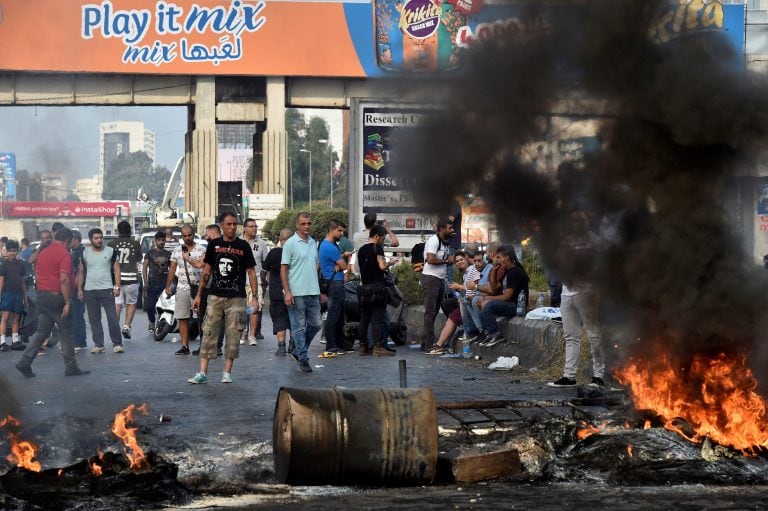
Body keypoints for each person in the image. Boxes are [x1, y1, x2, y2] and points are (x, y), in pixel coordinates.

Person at [188, 212, 258, 384]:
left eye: (235, 224)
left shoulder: (243, 246)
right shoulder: (214, 245)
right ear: (221, 225)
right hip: (215, 296)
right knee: (208, 332)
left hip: (237, 297)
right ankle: (202, 373)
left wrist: (254, 297)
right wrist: (198, 295)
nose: (232, 227)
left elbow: (251, 272)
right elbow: (207, 271)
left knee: (233, 334)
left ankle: (227, 372)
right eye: (229, 224)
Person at [15, 228, 90, 378]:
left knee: (42, 331)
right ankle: (71, 367)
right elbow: (64, 279)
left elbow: (32, 265)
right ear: (68, 240)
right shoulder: (64, 254)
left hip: (42, 296)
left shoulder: (43, 252)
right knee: (66, 332)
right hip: (57, 297)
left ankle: (25, 361)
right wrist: (67, 301)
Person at [548, 210, 606, 388]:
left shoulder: (595, 241)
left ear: (588, 221)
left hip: (587, 292)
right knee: (570, 336)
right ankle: (569, 376)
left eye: (581, 220)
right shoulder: (566, 241)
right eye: (574, 220)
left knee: (593, 335)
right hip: (567, 292)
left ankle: (599, 376)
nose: (578, 223)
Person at [281, 212, 322, 373]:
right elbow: (283, 269)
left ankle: (298, 350)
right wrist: (287, 292)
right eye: (303, 224)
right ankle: (303, 358)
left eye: (309, 223)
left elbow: (316, 264)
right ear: (297, 225)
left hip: (313, 291)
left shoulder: (313, 242)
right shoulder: (290, 243)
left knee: (316, 324)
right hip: (296, 292)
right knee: (298, 326)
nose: (306, 226)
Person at [79, 228, 124, 354]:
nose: (99, 240)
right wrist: (79, 289)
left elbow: (117, 270)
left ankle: (117, 344)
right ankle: (99, 345)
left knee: (112, 318)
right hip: (89, 290)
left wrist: (117, 287)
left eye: (100, 237)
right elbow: (81, 272)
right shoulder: (85, 253)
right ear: (91, 240)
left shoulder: (111, 251)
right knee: (94, 319)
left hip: (107, 289)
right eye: (96, 238)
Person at [426, 251, 480, 355]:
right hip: (465, 301)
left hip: (471, 302)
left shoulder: (473, 270)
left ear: (467, 260)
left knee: (452, 317)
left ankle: (439, 345)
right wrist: (460, 290)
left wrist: (460, 287)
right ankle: (459, 328)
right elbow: (468, 289)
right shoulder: (465, 273)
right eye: (457, 261)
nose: (459, 262)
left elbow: (476, 288)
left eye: (461, 260)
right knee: (446, 303)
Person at [357, 224, 399, 356]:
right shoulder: (377, 248)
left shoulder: (361, 250)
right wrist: (390, 263)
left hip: (364, 288)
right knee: (378, 319)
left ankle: (363, 346)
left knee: (364, 318)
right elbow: (381, 266)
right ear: (376, 236)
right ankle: (378, 347)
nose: (383, 241)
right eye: (382, 238)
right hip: (377, 288)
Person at [476, 245, 529, 347]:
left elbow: (506, 297)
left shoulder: (515, 272)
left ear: (507, 257)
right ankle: (488, 333)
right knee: (479, 302)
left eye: (499, 257)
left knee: (488, 304)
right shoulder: (507, 271)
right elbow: (494, 287)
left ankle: (496, 334)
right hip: (509, 304)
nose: (497, 260)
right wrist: (494, 272)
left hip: (517, 307)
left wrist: (487, 298)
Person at [166, 224, 206, 355]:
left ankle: (203, 346)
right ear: (182, 236)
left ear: (193, 234)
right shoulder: (177, 251)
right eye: (185, 236)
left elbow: (205, 268)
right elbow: (172, 268)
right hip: (182, 288)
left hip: (198, 288)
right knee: (182, 317)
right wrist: (168, 285)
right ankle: (184, 346)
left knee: (201, 318)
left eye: (190, 235)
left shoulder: (202, 249)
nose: (187, 238)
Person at [420, 219, 455, 351]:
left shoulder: (445, 242)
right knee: (430, 312)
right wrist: (447, 261)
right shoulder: (434, 240)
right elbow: (430, 259)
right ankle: (429, 344)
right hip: (431, 279)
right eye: (450, 228)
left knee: (434, 312)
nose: (452, 230)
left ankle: (425, 342)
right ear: (441, 229)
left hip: (439, 279)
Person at [319, 219, 350, 355]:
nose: (342, 233)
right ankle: (332, 345)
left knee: (337, 315)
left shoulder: (326, 245)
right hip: (335, 284)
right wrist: (340, 263)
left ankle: (339, 345)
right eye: (339, 230)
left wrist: (339, 261)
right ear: (331, 230)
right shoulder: (330, 247)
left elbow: (338, 263)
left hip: (333, 283)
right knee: (334, 315)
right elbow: (343, 266)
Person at [110, 220, 143, 340]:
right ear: (130, 230)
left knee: (117, 304)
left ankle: (115, 328)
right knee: (131, 303)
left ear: (118, 231)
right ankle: (127, 326)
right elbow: (139, 258)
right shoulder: (135, 244)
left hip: (116, 280)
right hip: (132, 279)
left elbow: (110, 262)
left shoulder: (112, 244)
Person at [263, 228, 293, 356]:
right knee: (294, 319)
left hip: (276, 291)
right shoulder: (295, 252)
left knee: (279, 318)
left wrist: (263, 282)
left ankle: (281, 347)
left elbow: (263, 271)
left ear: (280, 240)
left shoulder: (273, 253)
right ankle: (293, 344)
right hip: (293, 291)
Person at [240, 218, 268, 345]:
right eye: (251, 226)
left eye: (256, 226)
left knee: (255, 308)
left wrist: (264, 278)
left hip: (255, 281)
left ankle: (252, 335)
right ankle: (243, 331)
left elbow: (266, 263)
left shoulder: (261, 243)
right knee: (241, 309)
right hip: (239, 281)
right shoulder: (237, 242)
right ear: (245, 228)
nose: (254, 228)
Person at [0, 240, 27, 352]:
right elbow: (1, 282)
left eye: (14, 250)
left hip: (18, 294)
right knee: (5, 318)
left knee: (16, 318)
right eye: (10, 251)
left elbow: (22, 282)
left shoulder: (21, 264)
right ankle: (2, 342)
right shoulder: (3, 265)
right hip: (7, 294)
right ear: (6, 251)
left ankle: (15, 341)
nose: (12, 253)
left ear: (17, 251)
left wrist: (25, 297)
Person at [142, 231, 171, 334]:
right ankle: (151, 322)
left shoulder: (168, 254)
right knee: (150, 306)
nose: (161, 242)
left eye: (163, 240)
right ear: (155, 241)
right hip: (152, 283)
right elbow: (144, 267)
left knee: (163, 306)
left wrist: (170, 283)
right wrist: (145, 282)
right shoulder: (150, 253)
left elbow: (171, 269)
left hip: (164, 283)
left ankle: (161, 324)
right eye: (159, 240)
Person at [69, 231, 87, 352]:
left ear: (76, 239)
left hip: (78, 288)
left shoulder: (80, 253)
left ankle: (78, 341)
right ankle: (81, 341)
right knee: (78, 315)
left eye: (70, 239)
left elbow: (80, 272)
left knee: (76, 315)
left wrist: (76, 288)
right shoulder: (77, 252)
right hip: (79, 288)